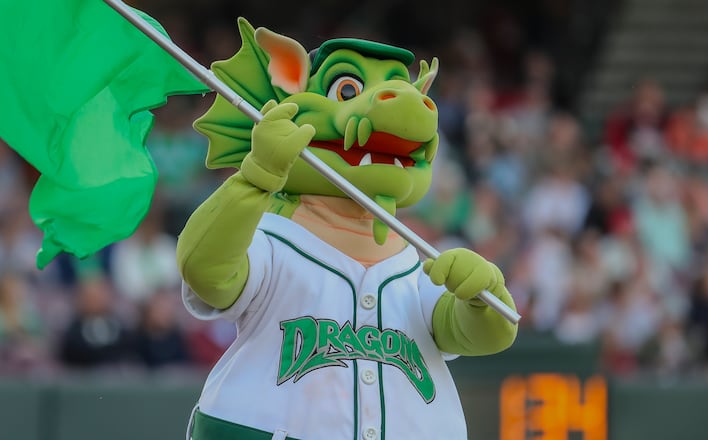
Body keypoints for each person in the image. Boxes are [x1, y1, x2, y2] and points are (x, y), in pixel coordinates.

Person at [176, 19, 518, 440]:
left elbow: (481, 332)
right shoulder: (271, 239)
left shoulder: (415, 262)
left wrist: (482, 297)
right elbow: (207, 272)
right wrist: (255, 177)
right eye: (349, 89)